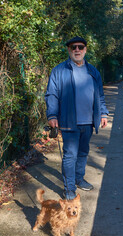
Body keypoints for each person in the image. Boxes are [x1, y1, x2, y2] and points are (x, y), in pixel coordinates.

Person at [45, 36, 109, 200]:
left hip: (88, 122)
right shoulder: (59, 71)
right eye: (73, 47)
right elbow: (52, 94)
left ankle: (79, 179)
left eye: (80, 47)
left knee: (83, 153)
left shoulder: (93, 71)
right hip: (68, 121)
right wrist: (52, 115)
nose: (77, 50)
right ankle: (69, 188)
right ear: (69, 50)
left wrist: (103, 113)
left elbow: (100, 95)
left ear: (85, 50)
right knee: (70, 155)